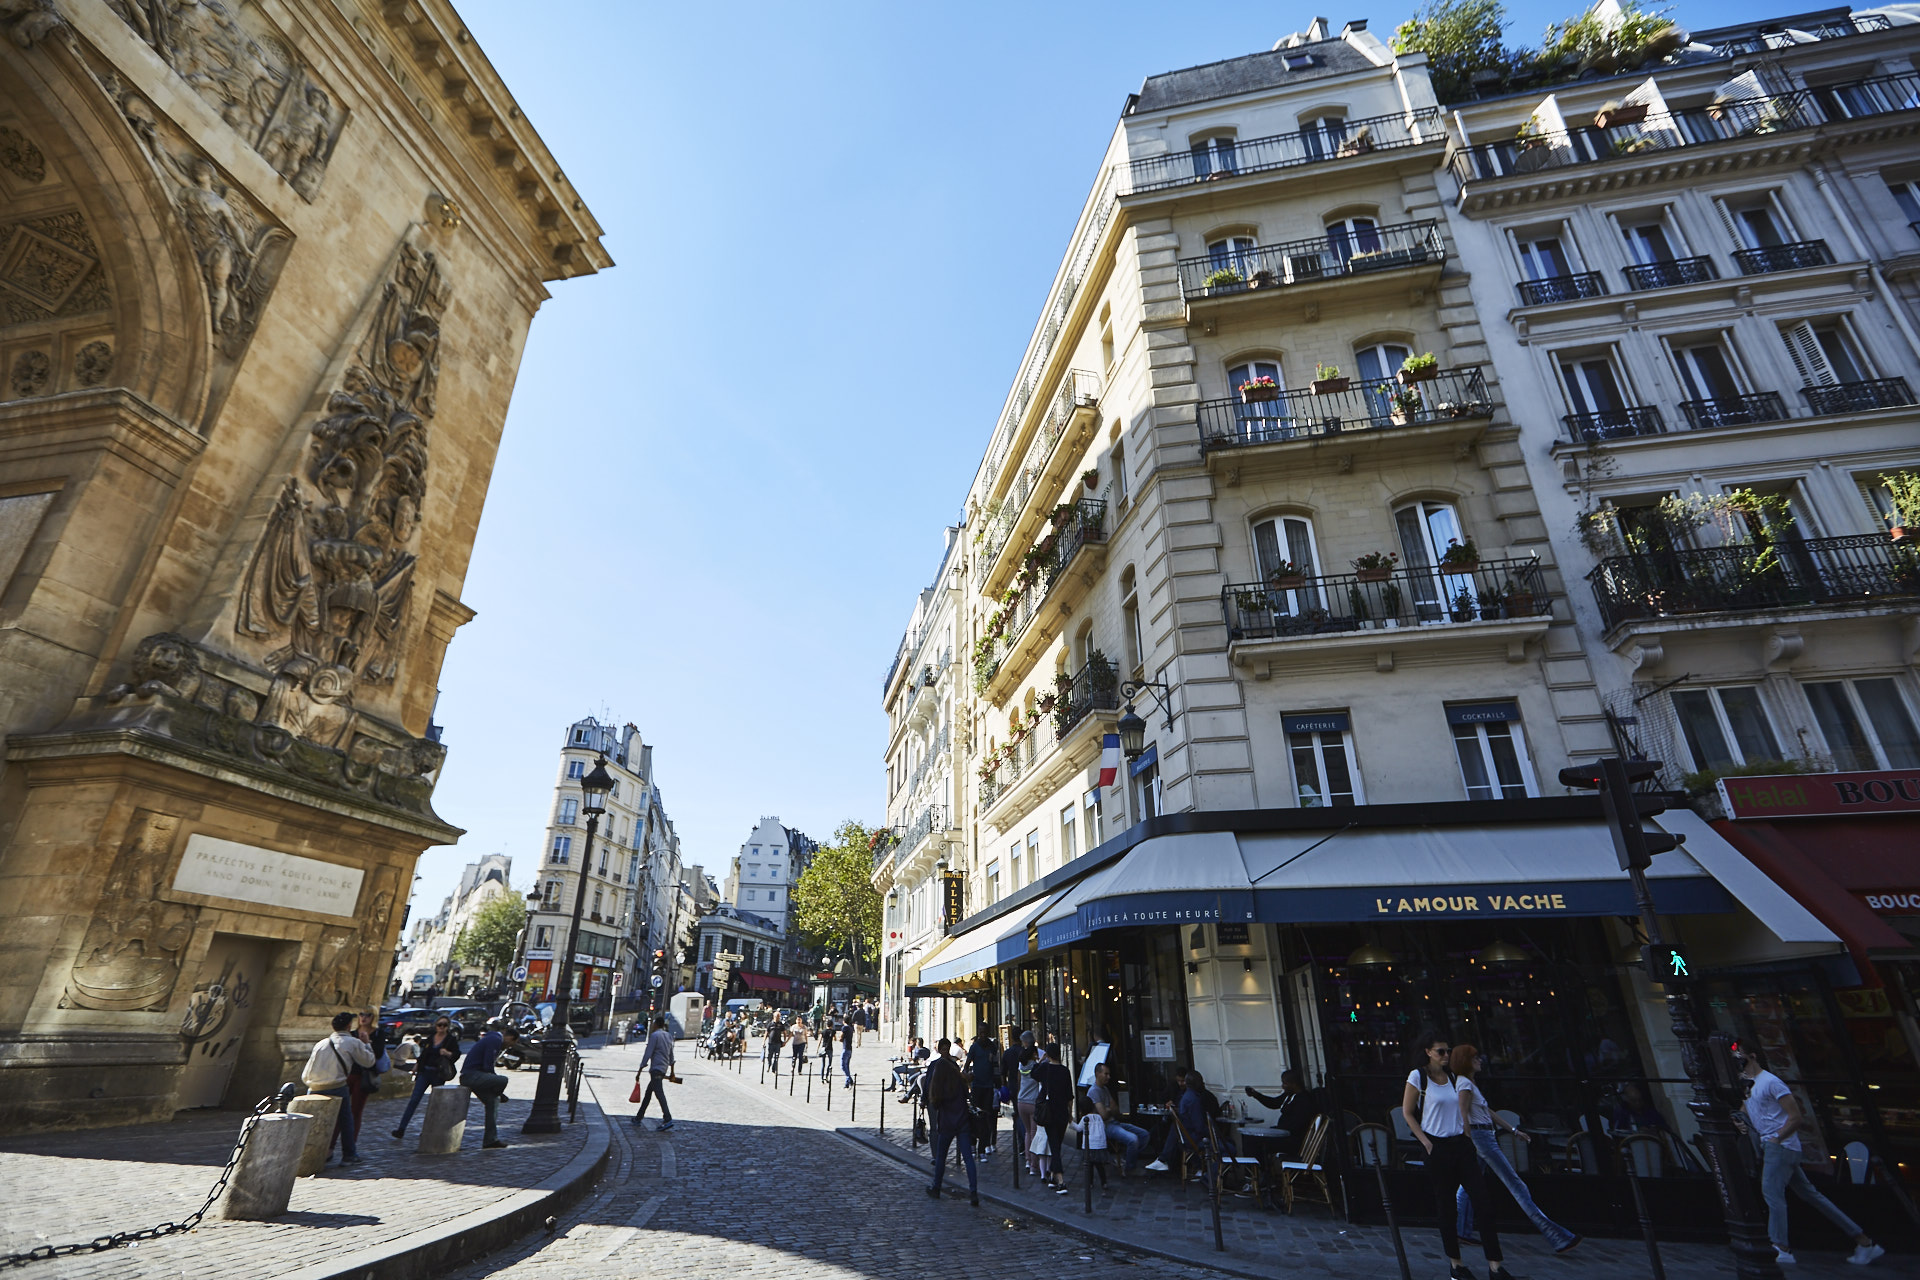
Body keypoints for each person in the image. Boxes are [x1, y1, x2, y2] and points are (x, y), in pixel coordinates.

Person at [1738, 1044, 1883, 1267]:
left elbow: (1795, 1117)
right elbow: (1746, 1111)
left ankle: (1781, 1247)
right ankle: (1864, 1242)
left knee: (1772, 1193)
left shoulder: (1771, 1082)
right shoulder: (1749, 1085)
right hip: (1779, 1146)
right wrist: (1741, 1122)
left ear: (1754, 1057)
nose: (1740, 1066)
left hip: (1780, 1146)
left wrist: (1777, 1138)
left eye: (1743, 1060)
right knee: (1812, 1196)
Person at [1402, 1030, 1512, 1280]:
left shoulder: (1455, 1077)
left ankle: (1495, 1266)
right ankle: (1456, 1264)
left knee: (1483, 1203)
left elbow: (1465, 1109)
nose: (1446, 1055)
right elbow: (1407, 1112)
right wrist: (1426, 1143)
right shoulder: (1418, 1076)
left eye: (1448, 1051)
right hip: (1437, 1146)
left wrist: (1467, 1137)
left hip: (1461, 1145)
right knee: (1447, 1207)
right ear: (1428, 1052)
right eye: (1440, 1051)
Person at [1451, 1045, 1578, 1254]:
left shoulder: (1470, 1083)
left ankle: (1461, 1231)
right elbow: (1462, 1113)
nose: (1480, 1060)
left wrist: (1512, 1130)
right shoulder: (1464, 1084)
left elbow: (1486, 1111)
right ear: (1466, 1060)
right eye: (1475, 1057)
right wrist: (1467, 1139)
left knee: (1468, 1185)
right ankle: (1557, 1236)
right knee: (1515, 1184)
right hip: (1480, 1136)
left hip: (1482, 1134)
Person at [302, 1011, 376, 1166]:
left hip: (313, 1086)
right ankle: (349, 1153)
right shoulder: (352, 1042)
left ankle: (304, 1151)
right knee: (346, 1119)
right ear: (349, 1026)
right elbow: (369, 1061)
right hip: (336, 1086)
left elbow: (306, 1072)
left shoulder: (321, 1043)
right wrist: (367, 1043)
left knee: (309, 1120)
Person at [922, 1037, 978, 1203]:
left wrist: (929, 1101)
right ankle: (973, 1192)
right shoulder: (955, 1070)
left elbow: (933, 1096)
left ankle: (936, 1187)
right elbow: (966, 1093)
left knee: (941, 1156)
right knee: (968, 1158)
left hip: (947, 1120)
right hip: (961, 1119)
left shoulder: (937, 1069)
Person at [392, 1014, 461, 1140]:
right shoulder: (431, 1038)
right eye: (440, 1025)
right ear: (436, 1026)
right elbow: (424, 1054)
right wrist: (417, 1066)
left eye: (445, 1025)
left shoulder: (450, 1040)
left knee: (435, 1103)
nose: (442, 1027)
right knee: (414, 1100)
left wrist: (448, 1053)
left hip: (438, 1074)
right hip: (424, 1072)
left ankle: (429, 1130)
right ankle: (401, 1129)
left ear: (448, 1027)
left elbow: (456, 1054)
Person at [461, 1022, 517, 1149]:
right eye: (512, 1043)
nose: (510, 1046)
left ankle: (490, 1140)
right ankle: (499, 1093)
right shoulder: (495, 1040)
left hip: (473, 1075)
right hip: (472, 1075)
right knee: (503, 1080)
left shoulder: (491, 1038)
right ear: (509, 1037)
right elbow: (488, 1066)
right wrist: (495, 1084)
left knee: (493, 1101)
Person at [1090, 1060, 1147, 1175]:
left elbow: (1116, 1108)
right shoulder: (1093, 1091)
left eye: (1109, 1074)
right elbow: (1104, 1115)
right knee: (1133, 1139)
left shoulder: (1105, 1089)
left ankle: (1125, 1159)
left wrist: (1109, 1110)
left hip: (1115, 1122)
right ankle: (1130, 1168)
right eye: (1106, 1074)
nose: (1109, 1077)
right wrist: (1110, 1110)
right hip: (1106, 1126)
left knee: (1144, 1135)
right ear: (1097, 1074)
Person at [1034, 1041, 1075, 1192]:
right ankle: (1052, 1177)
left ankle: (1061, 1181)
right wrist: (1070, 1114)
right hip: (1062, 1114)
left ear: (1049, 1054)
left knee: (1055, 1148)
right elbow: (1070, 1096)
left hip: (1049, 1114)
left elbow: (1033, 1073)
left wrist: (1041, 1059)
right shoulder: (1065, 1071)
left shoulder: (1045, 1068)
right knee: (1056, 1144)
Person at [1143, 1066, 1192, 1172]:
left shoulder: (1189, 1095)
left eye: (1182, 1081)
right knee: (1154, 1132)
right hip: (1176, 1123)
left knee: (1173, 1130)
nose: (1180, 1084)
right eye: (1178, 1081)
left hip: (1186, 1128)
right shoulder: (1178, 1090)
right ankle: (1162, 1158)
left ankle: (1163, 1159)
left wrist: (1174, 1107)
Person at [633, 1016, 676, 1131]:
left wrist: (640, 1071)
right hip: (663, 1068)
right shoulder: (668, 1036)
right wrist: (672, 1072)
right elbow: (671, 1056)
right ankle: (638, 1117)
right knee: (648, 1093)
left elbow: (648, 1053)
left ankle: (667, 1118)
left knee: (659, 1093)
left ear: (656, 1024)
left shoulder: (654, 1036)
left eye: (653, 1024)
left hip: (656, 1068)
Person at [966, 1028, 999, 1155]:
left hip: (989, 1086)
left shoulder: (992, 1047)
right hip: (977, 1085)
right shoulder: (974, 1047)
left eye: (985, 1033)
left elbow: (996, 1065)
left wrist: (997, 1083)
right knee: (975, 1115)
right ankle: (973, 1144)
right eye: (981, 1033)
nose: (983, 1036)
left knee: (987, 1116)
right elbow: (967, 1064)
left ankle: (985, 1146)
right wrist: (968, 1081)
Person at [1016, 1039, 1043, 1177]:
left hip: (1021, 1101)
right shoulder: (1035, 1066)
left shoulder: (1022, 1065)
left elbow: (1019, 1080)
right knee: (1034, 1134)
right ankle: (1034, 1165)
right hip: (1032, 1103)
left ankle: (1027, 1160)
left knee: (1027, 1133)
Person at [840, 1010, 857, 1087]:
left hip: (845, 1048)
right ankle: (847, 1082)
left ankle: (849, 1078)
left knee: (843, 1066)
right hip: (850, 1049)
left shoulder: (844, 1028)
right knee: (847, 1065)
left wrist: (840, 1039)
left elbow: (841, 1037)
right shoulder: (850, 1028)